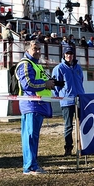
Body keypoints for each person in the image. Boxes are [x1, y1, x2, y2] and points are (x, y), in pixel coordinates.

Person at [16, 40, 55, 175]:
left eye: (39, 49)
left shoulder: (35, 65)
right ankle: (30, 166)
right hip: (31, 104)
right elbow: (27, 84)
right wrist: (45, 84)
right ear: (27, 50)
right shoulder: (25, 64)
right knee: (30, 136)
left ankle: (31, 165)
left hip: (38, 105)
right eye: (35, 49)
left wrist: (51, 83)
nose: (38, 51)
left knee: (32, 136)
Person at [52, 46, 85, 156]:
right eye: (67, 54)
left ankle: (81, 147)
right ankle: (68, 148)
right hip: (67, 101)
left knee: (81, 124)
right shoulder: (59, 68)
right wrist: (60, 97)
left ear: (73, 55)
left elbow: (81, 81)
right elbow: (55, 85)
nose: (69, 55)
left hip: (80, 99)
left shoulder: (78, 68)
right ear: (64, 55)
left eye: (71, 53)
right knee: (68, 126)